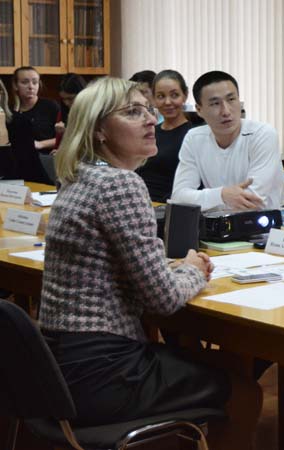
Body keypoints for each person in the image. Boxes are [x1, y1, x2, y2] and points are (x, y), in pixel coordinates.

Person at [40, 77, 261, 448]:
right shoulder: (120, 185)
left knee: (223, 367)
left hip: (58, 367)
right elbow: (163, 299)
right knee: (244, 392)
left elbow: (121, 267)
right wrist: (194, 269)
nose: (150, 120)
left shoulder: (78, 178)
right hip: (103, 373)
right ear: (99, 130)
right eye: (132, 112)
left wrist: (170, 268)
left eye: (148, 110)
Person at [171, 70, 283, 212]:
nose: (226, 111)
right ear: (199, 110)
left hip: (263, 224)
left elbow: (253, 201)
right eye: (215, 103)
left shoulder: (262, 134)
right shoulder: (194, 138)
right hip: (217, 224)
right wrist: (222, 195)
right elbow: (179, 198)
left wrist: (208, 200)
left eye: (231, 100)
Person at [137, 70, 193, 202]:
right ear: (153, 99)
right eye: (161, 96)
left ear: (185, 95)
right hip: (139, 201)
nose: (167, 102)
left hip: (169, 206)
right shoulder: (149, 132)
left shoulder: (193, 136)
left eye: (174, 95)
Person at [11, 66, 60, 153]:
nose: (31, 86)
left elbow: (67, 137)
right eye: (24, 82)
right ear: (15, 85)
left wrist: (40, 144)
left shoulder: (50, 106)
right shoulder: (10, 110)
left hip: (46, 156)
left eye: (35, 82)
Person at [54, 73, 87, 148]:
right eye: (63, 99)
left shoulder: (93, 113)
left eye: (70, 98)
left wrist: (67, 133)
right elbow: (58, 145)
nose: (66, 103)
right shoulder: (63, 112)